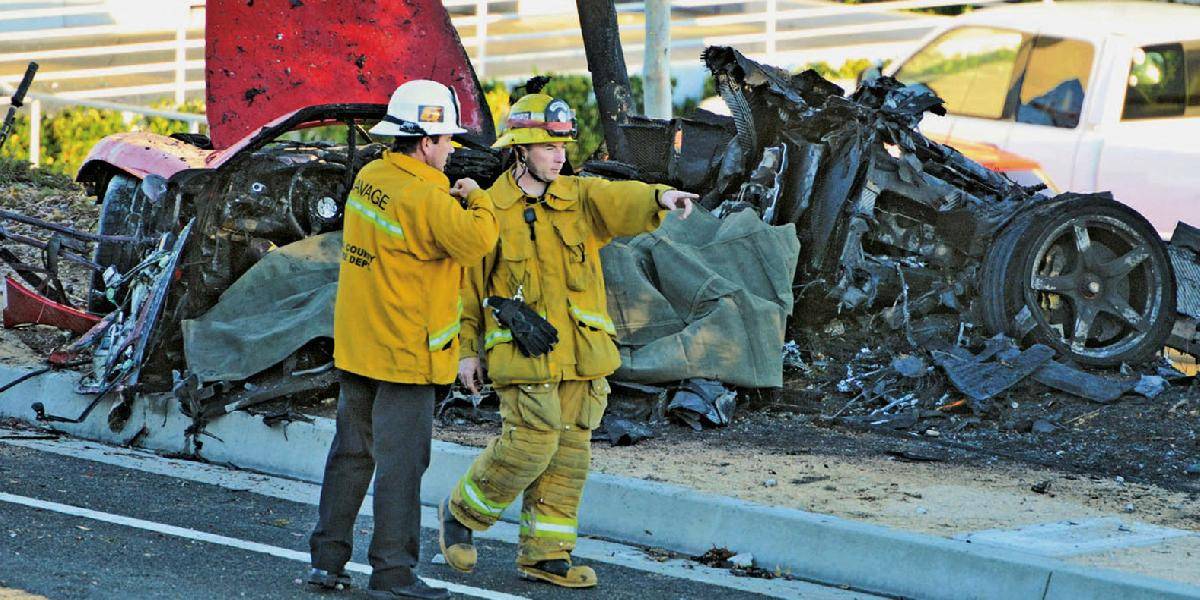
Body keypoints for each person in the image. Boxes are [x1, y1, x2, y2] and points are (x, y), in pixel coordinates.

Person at [438, 85, 698, 589]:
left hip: (581, 357)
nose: (560, 157)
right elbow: (467, 291)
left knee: (569, 455)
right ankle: (462, 515)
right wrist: (467, 352)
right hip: (523, 356)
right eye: (549, 148)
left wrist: (660, 196)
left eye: (563, 148)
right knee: (532, 443)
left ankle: (547, 554)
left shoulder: (579, 197)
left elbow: (620, 198)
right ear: (521, 150)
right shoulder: (489, 210)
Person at [308, 79, 499, 600]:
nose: (453, 149)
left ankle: (327, 560)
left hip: (361, 344)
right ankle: (393, 575)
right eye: (446, 140)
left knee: (351, 454)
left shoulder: (373, 175)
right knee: (401, 468)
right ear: (424, 141)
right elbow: (477, 243)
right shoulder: (428, 195)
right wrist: (478, 200)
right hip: (408, 354)